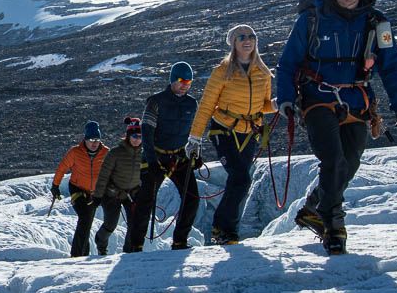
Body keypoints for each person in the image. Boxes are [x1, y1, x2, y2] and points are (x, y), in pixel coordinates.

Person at [274, 0, 397, 255]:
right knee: (333, 160)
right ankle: (334, 229)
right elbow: (288, 63)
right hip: (317, 99)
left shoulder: (378, 23)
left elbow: (391, 67)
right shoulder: (311, 19)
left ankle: (313, 207)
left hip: (357, 102)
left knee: (349, 164)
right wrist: (285, 98)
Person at [190, 24, 277, 245]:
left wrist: (276, 105)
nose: (247, 40)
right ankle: (223, 229)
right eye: (242, 37)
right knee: (241, 178)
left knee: (239, 180)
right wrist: (195, 138)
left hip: (250, 132)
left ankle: (226, 231)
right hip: (224, 130)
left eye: (251, 36)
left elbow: (263, 105)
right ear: (233, 43)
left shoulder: (263, 73)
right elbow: (207, 105)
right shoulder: (222, 71)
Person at [138, 61, 205, 250]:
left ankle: (180, 241)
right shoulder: (155, 101)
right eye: (182, 80)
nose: (185, 85)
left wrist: (197, 154)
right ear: (173, 79)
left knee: (192, 198)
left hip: (179, 157)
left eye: (189, 81)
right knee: (145, 202)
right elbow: (146, 133)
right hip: (157, 156)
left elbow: (195, 132)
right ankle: (134, 246)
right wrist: (151, 161)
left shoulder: (192, 104)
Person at [51, 121, 109, 258]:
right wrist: (55, 186)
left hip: (95, 192)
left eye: (97, 139)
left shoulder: (106, 152)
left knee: (87, 221)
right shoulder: (75, 152)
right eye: (91, 139)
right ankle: (76, 256)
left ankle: (84, 254)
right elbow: (62, 168)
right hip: (77, 188)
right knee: (85, 217)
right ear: (85, 139)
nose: (94, 143)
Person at [94, 115, 148, 254]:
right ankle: (101, 244)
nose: (137, 139)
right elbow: (104, 175)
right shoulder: (115, 153)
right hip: (112, 193)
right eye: (134, 136)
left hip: (132, 194)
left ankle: (128, 252)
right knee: (110, 224)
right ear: (128, 136)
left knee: (134, 224)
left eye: (140, 137)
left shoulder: (145, 153)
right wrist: (97, 196)